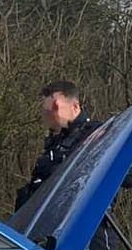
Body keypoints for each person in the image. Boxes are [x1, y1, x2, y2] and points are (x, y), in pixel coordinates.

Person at [16, 80, 100, 209]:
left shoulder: (97, 134)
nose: (51, 115)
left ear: (75, 106)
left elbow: (126, 176)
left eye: (56, 107)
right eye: (47, 110)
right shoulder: (56, 143)